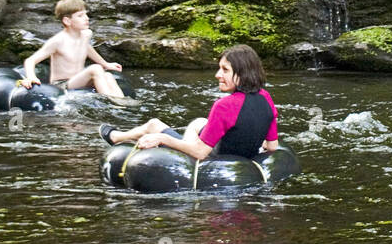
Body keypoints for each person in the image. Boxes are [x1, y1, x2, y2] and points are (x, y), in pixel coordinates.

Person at [101, 44, 278, 161]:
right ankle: (119, 136)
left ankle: (116, 137)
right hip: (238, 156)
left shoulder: (225, 105)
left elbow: (200, 153)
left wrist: (163, 138)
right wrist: (249, 138)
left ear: (242, 74)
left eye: (225, 70)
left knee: (154, 125)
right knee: (199, 122)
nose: (217, 75)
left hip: (213, 161)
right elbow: (272, 146)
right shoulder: (266, 97)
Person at [21, 0, 129, 100]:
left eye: (86, 14)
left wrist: (105, 64)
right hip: (62, 84)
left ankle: (122, 102)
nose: (86, 18)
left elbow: (87, 48)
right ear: (67, 21)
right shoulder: (58, 41)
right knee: (95, 68)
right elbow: (30, 60)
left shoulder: (86, 35)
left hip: (79, 79)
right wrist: (31, 77)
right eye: (80, 16)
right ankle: (111, 101)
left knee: (108, 75)